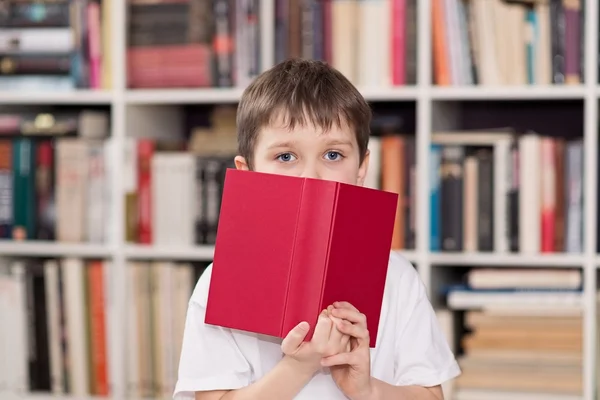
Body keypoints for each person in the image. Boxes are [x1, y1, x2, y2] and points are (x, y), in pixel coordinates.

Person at [174, 58, 461, 400]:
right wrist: (299, 366)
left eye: (333, 155)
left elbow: (431, 395)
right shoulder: (218, 283)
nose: (311, 177)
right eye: (285, 157)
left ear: (361, 168)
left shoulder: (397, 276)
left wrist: (367, 389)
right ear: (247, 172)